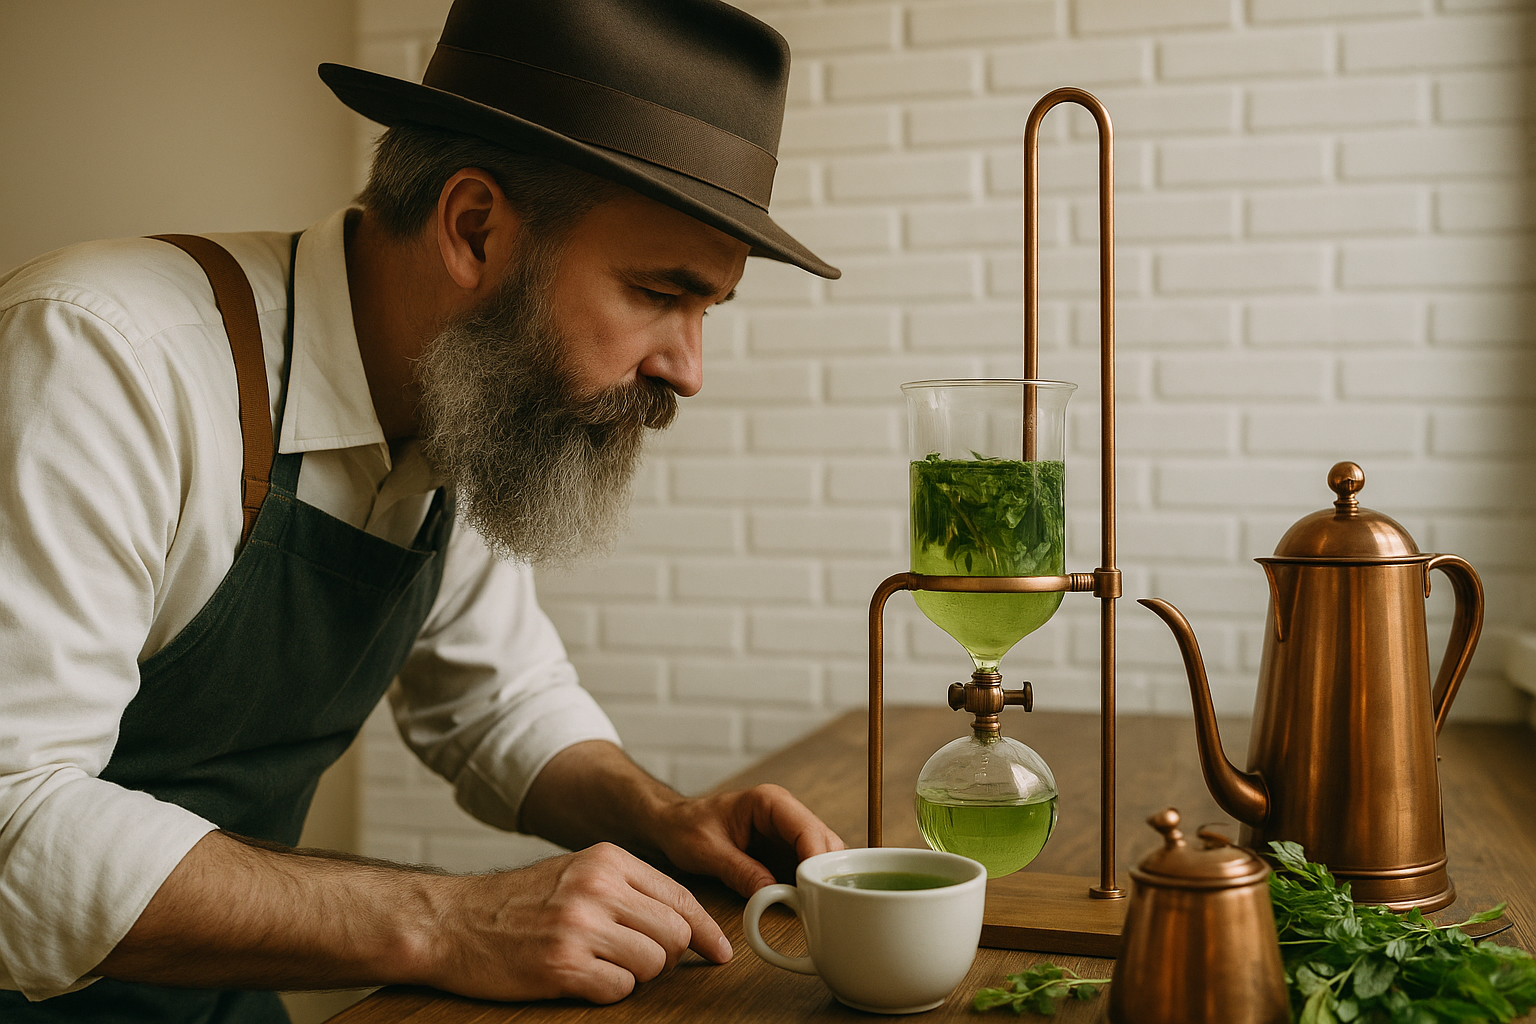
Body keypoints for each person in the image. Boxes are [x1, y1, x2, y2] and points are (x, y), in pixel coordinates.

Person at [0, 0, 845, 1020]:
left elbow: (499, 700)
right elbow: (15, 824)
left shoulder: (462, 400)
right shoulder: (104, 360)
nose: (688, 369)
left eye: (705, 309)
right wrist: (453, 919)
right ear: (474, 227)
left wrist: (663, 816)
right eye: (658, 292)